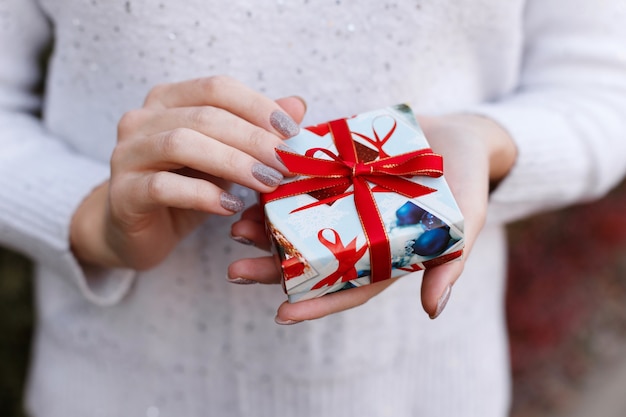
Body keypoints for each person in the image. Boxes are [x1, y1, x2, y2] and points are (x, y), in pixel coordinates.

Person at [1, 0, 625, 416]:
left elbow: (603, 89)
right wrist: (91, 221)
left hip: (423, 390)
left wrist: (485, 145)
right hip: (114, 391)